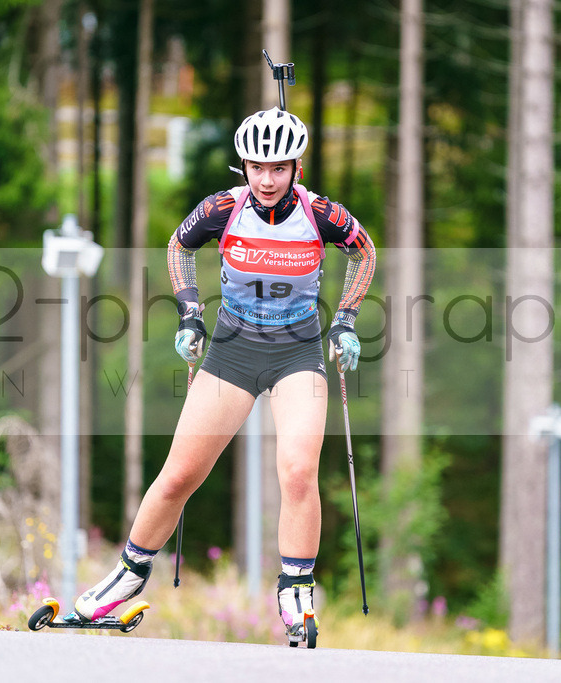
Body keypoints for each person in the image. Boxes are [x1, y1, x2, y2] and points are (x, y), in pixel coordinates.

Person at [67, 107, 376, 641]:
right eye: (257, 166)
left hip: (297, 351)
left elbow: (364, 254)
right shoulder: (223, 209)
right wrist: (190, 312)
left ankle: (296, 592)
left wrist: (345, 319)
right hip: (233, 350)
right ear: (244, 165)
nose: (267, 179)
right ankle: (127, 576)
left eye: (279, 168)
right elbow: (178, 247)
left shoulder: (322, 212)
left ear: (296, 167)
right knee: (182, 472)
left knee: (299, 470)